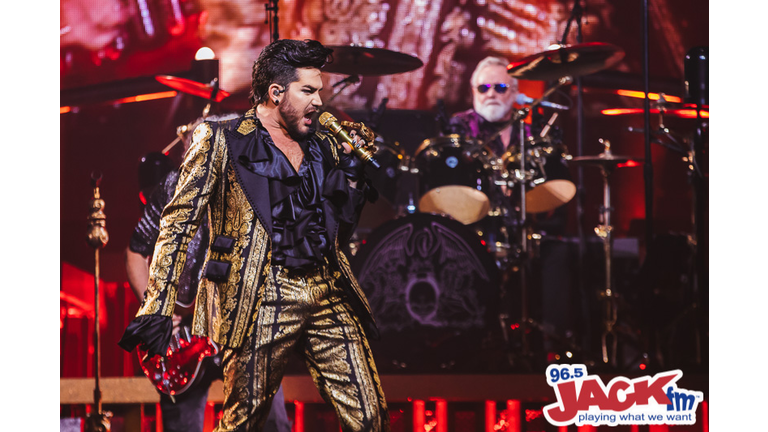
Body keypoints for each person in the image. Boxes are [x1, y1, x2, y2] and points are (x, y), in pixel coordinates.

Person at [119, 39, 390, 432]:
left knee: (370, 417)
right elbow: (176, 225)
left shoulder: (323, 146)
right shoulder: (222, 138)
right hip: (260, 296)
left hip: (325, 291)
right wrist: (158, 306)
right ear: (276, 93)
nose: (319, 102)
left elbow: (336, 231)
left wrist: (349, 177)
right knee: (244, 422)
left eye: (320, 92)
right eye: (309, 91)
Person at [125, 115, 292, 432]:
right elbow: (134, 252)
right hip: (184, 338)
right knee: (182, 426)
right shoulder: (171, 187)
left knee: (272, 424)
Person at [448, 56, 523, 158]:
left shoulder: (527, 131)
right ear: (474, 92)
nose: (491, 94)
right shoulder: (460, 125)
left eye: (500, 87)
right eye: (483, 88)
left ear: (514, 91)